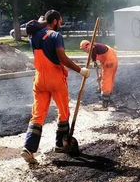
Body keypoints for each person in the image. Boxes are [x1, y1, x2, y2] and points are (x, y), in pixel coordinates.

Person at [21, 10, 90, 164]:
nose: (61, 24)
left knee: (38, 115)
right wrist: (80, 70)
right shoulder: (55, 36)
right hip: (55, 79)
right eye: (60, 21)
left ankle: (28, 148)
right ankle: (60, 144)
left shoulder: (34, 36)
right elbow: (62, 57)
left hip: (39, 80)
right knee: (64, 111)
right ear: (55, 21)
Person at [79, 40, 118, 109]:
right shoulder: (96, 47)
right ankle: (108, 96)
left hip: (109, 62)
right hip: (112, 60)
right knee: (110, 79)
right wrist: (100, 75)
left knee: (106, 80)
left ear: (86, 46)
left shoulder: (90, 47)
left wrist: (94, 61)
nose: (84, 51)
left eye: (83, 49)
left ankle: (104, 104)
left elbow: (92, 50)